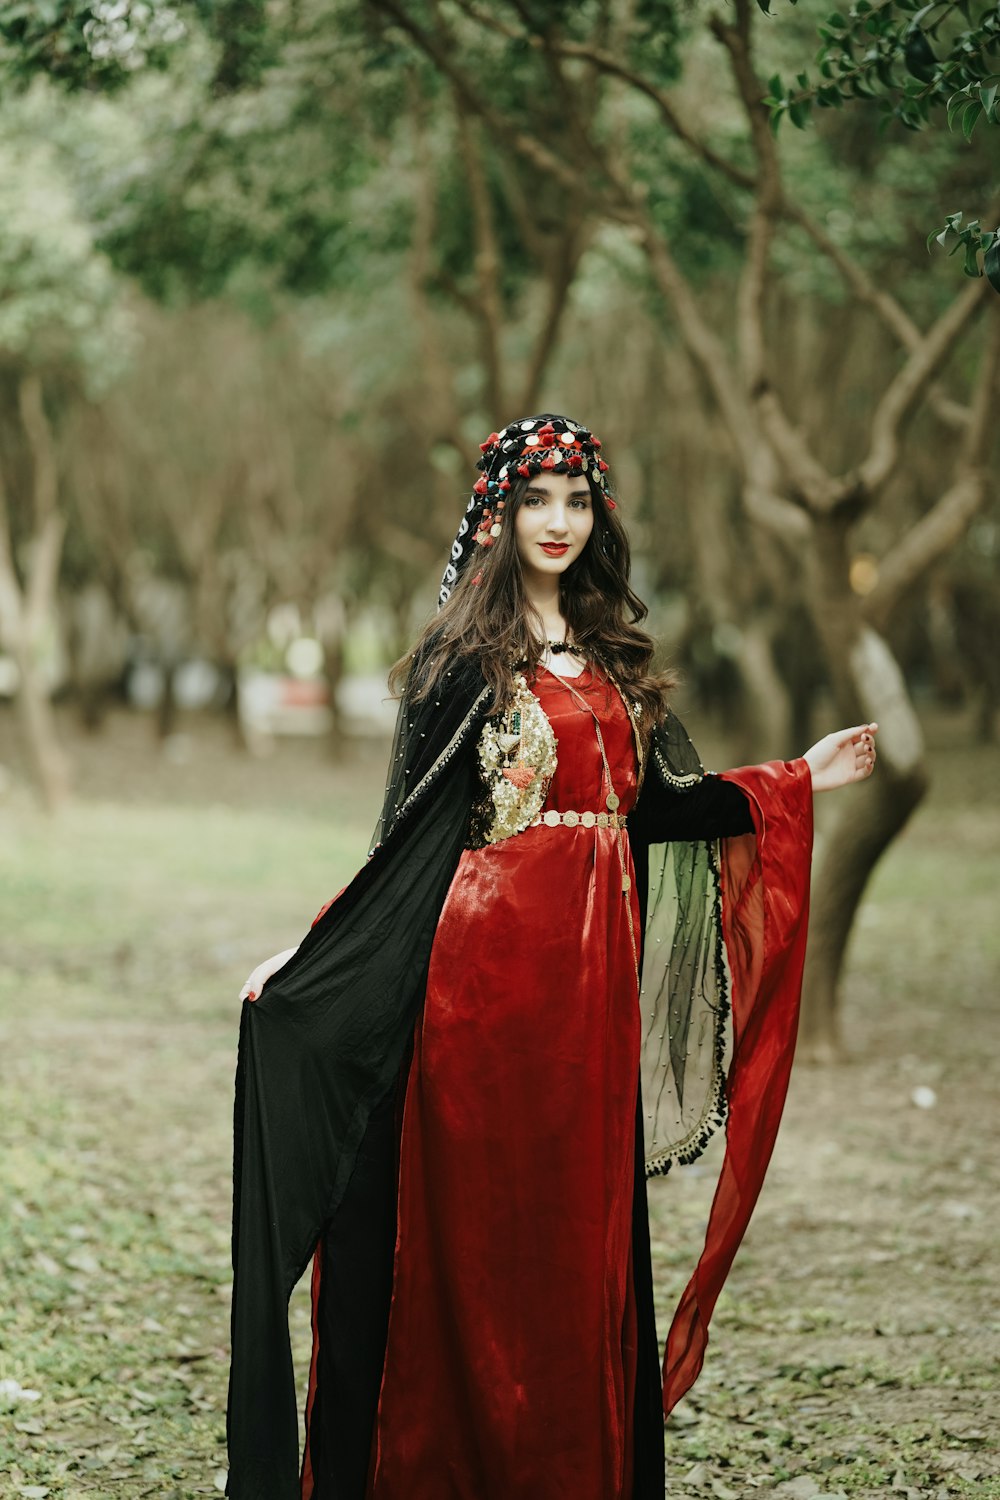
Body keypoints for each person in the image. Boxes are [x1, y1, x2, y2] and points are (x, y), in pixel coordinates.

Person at [225, 414, 877, 1500]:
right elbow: (403, 834)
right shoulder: (459, 660)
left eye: (577, 501)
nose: (559, 522)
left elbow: (654, 810)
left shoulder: (614, 658)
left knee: (576, 1241)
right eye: (538, 500)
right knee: (482, 1238)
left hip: (588, 997)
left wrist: (794, 780)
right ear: (497, 514)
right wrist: (313, 948)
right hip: (480, 990)